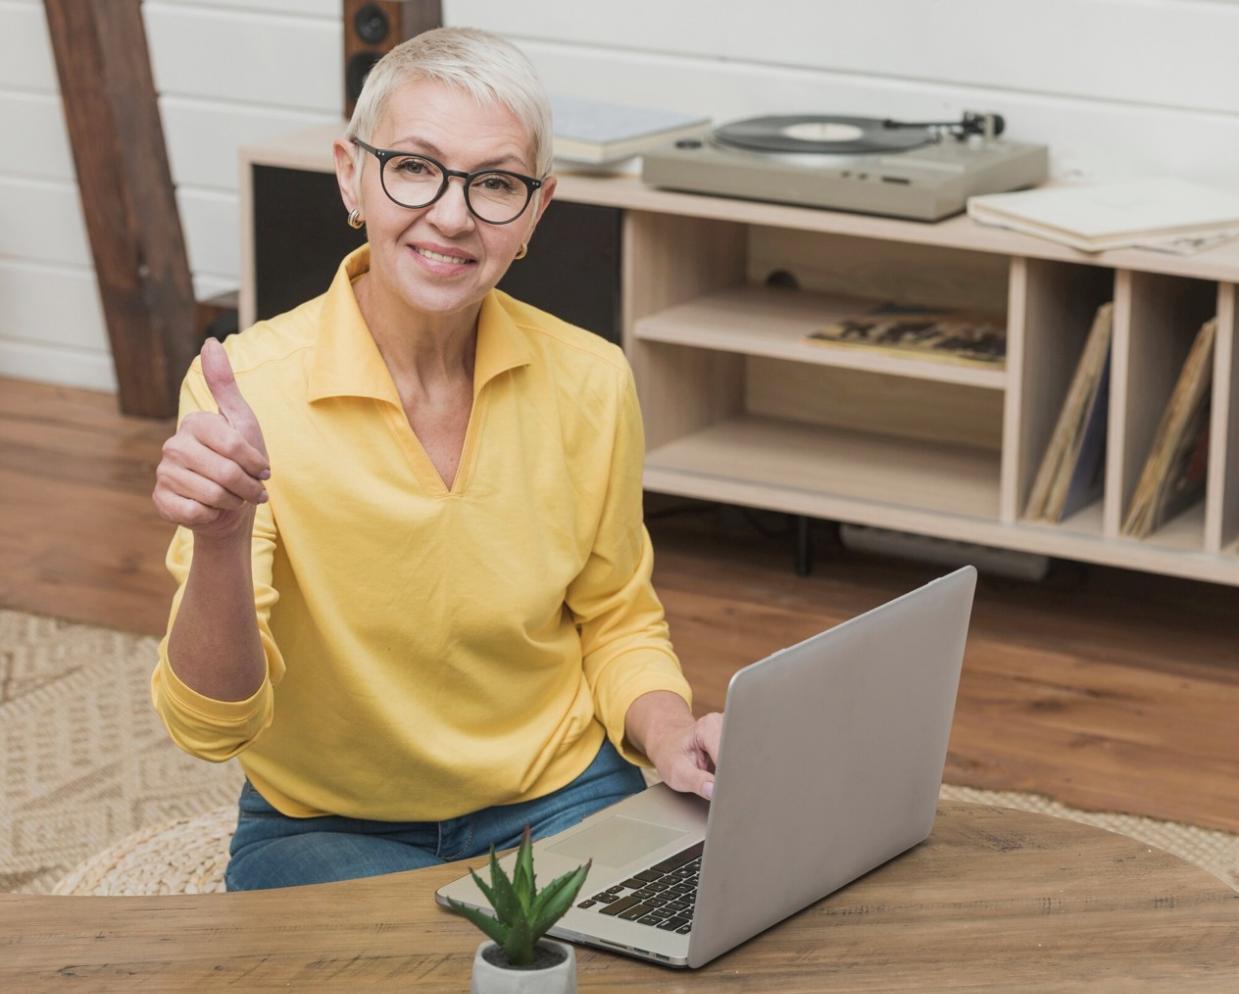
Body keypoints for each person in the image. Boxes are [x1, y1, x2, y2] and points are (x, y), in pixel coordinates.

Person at [149, 27, 722, 892]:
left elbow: (613, 618)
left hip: (554, 793)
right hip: (328, 821)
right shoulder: (244, 392)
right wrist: (223, 539)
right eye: (413, 168)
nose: (452, 216)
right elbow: (211, 727)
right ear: (351, 173)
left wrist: (668, 731)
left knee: (695, 939)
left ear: (535, 209)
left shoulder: (592, 378)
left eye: (494, 183)